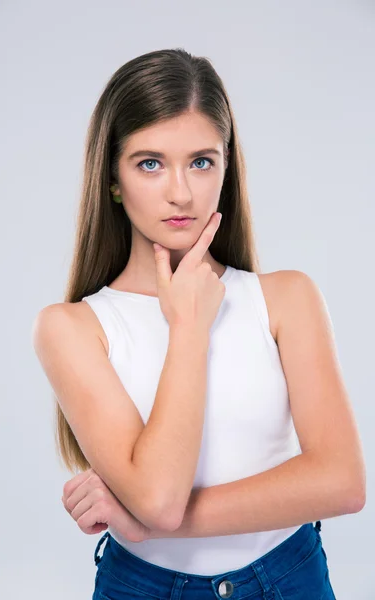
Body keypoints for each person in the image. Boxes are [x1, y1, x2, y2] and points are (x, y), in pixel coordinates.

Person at [33, 48, 366, 599]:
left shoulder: (286, 298)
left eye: (201, 161)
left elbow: (343, 483)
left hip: (288, 578)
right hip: (143, 586)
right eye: (150, 163)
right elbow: (159, 497)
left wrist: (137, 515)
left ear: (227, 169)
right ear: (112, 179)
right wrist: (187, 329)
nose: (180, 192)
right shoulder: (72, 328)